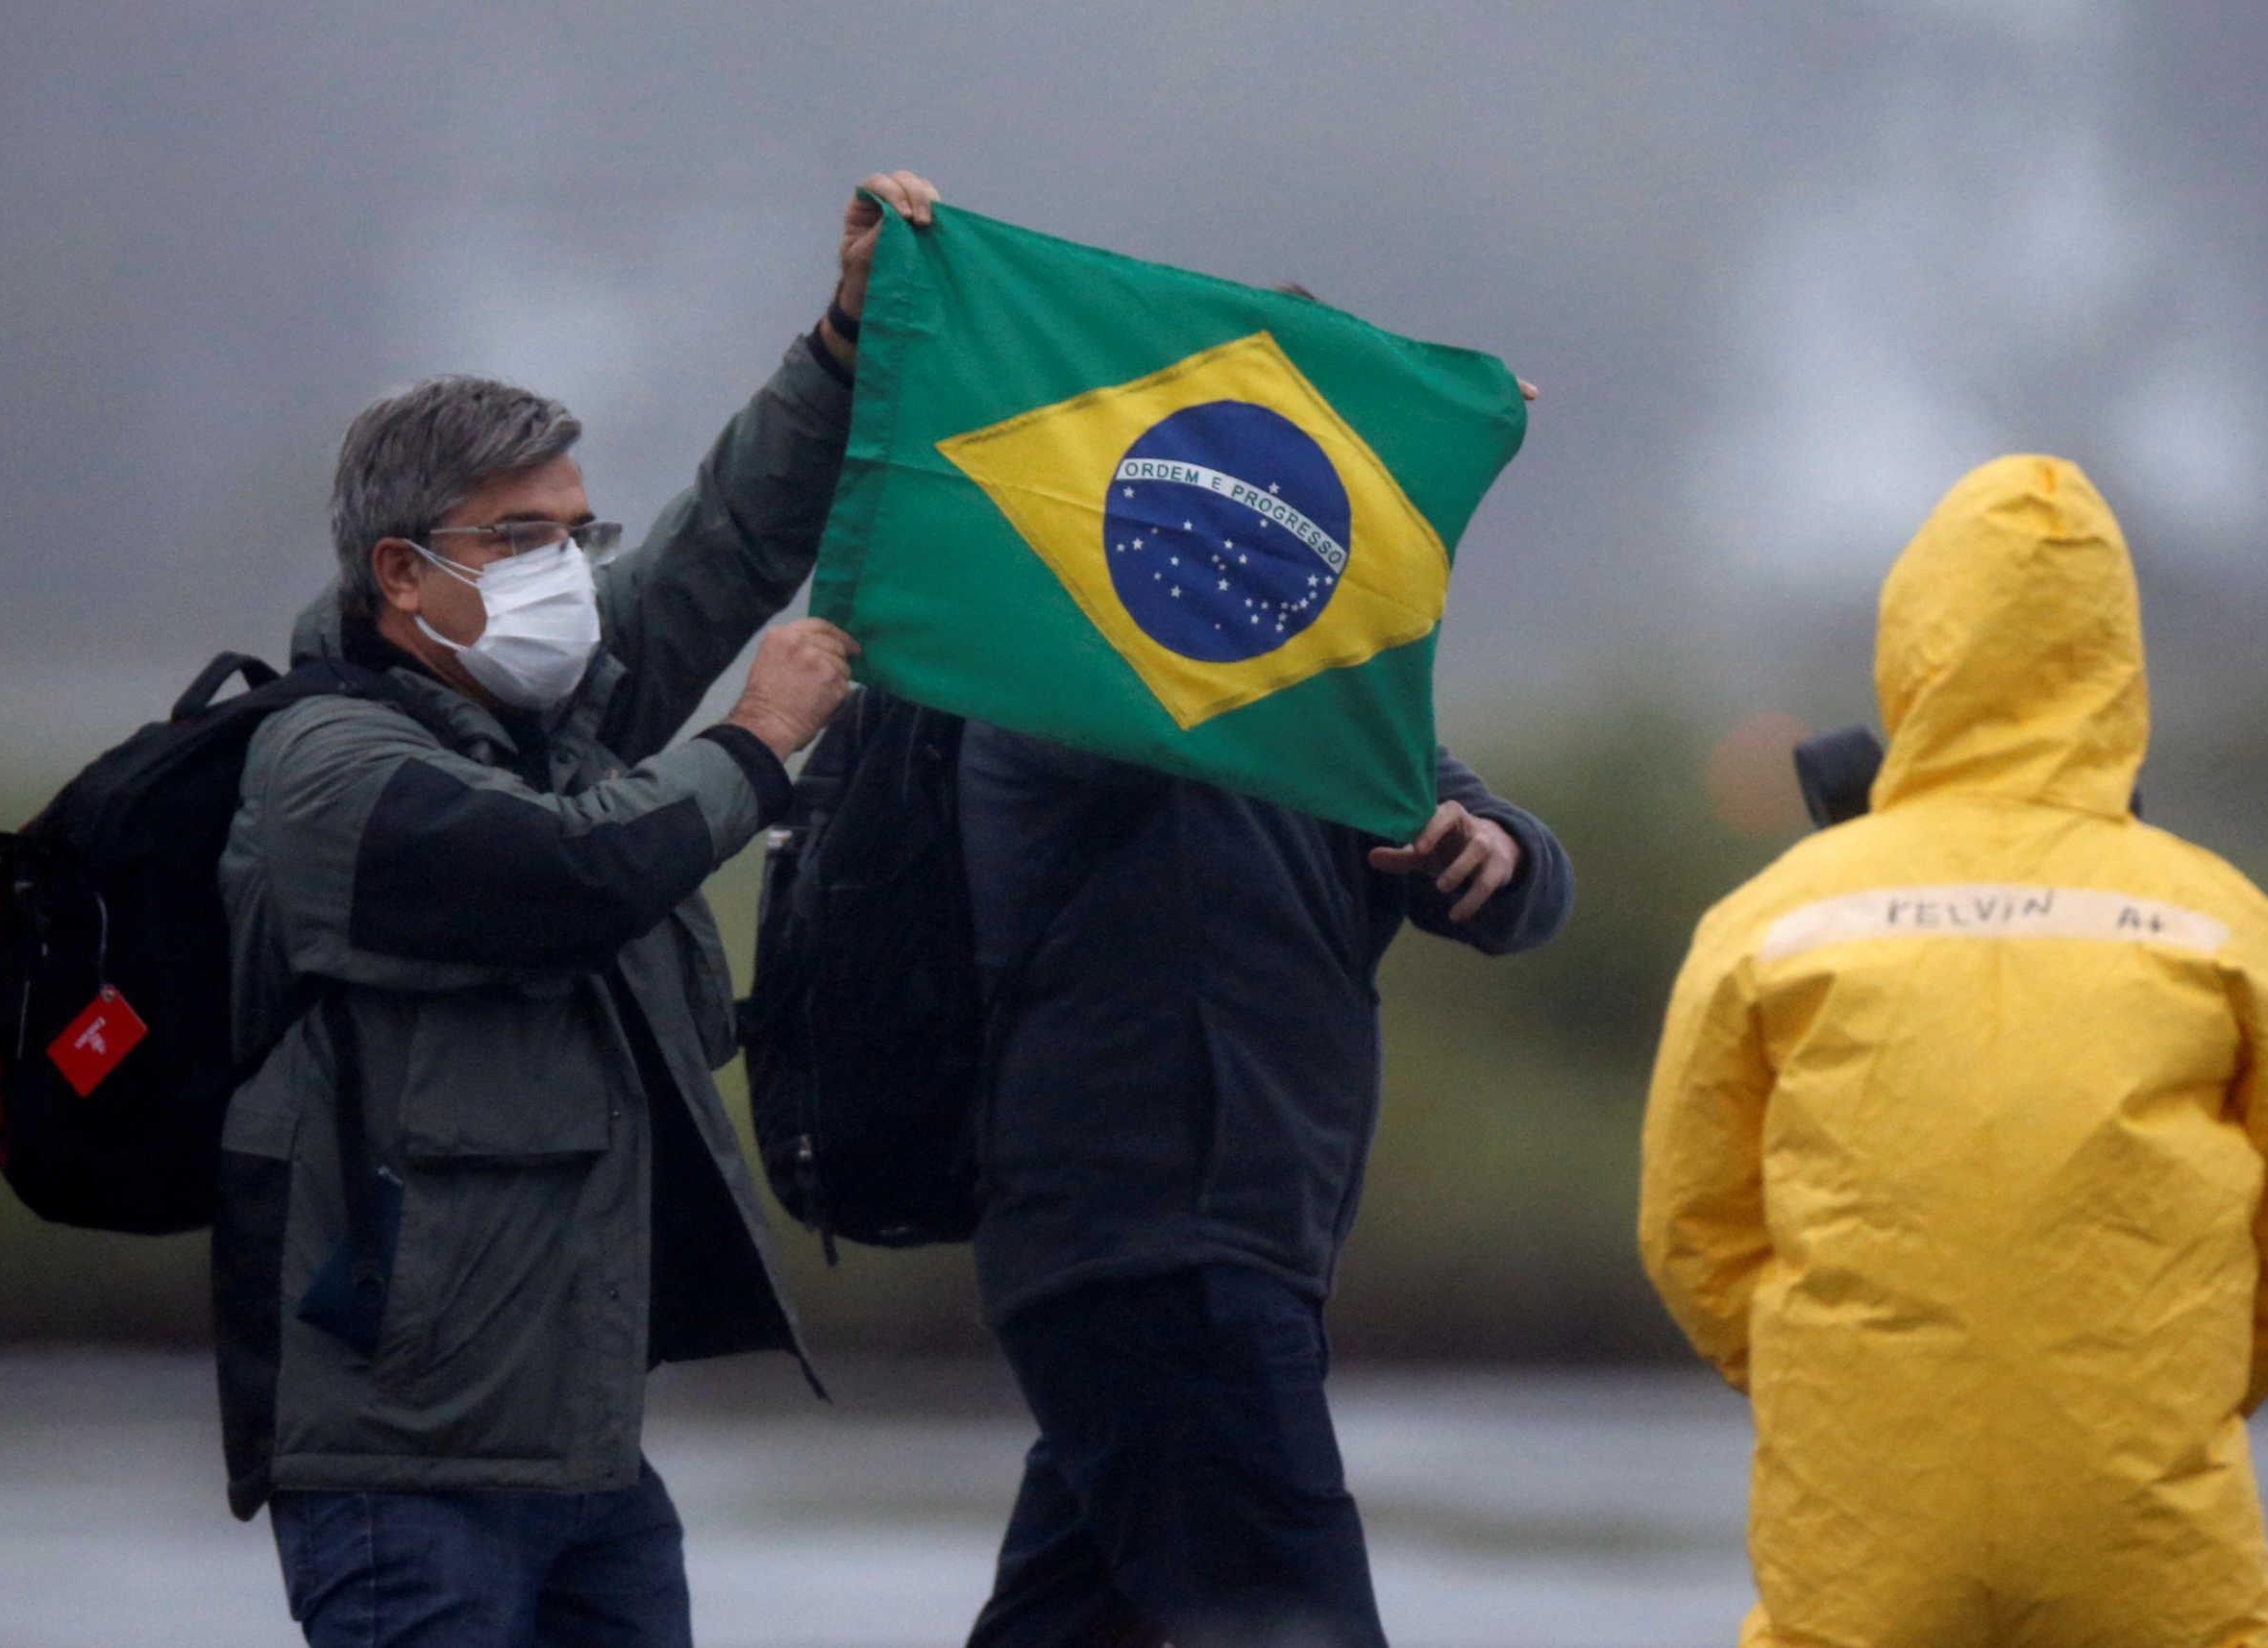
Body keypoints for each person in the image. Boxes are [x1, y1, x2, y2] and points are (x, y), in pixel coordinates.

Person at [211, 170, 942, 1648]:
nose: (566, 569)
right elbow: (564, 876)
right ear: (401, 572)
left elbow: (729, 538)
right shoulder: (327, 765)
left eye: (577, 533)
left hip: (589, 1457)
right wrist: (755, 741)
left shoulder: (565, 717)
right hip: (401, 1469)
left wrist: (845, 342)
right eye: (520, 538)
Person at [1639, 455, 2268, 1648]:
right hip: (2146, 1515)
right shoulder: (2226, 920)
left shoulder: (1772, 916)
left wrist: (1838, 1375)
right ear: (2115, 658)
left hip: (1863, 1500)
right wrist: (2162, 1392)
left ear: (1913, 648)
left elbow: (1690, 1226)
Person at [957, 722, 1572, 1646]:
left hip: (1215, 1251)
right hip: (1166, 1245)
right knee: (1298, 1622)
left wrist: (1501, 848)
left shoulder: (1303, 698)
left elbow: (1519, 892)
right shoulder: (1064, 675)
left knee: (1066, 1616)